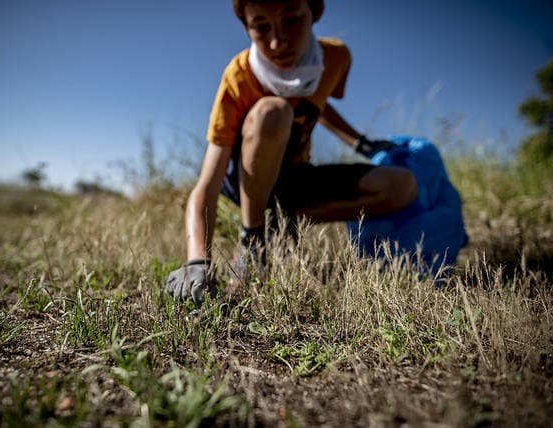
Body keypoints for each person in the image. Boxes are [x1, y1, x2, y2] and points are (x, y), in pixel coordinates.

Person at [166, 0, 418, 305]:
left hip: (295, 177)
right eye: (261, 27)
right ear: (246, 27)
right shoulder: (239, 77)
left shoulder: (334, 58)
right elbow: (205, 187)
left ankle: (286, 224)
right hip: (246, 181)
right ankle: (253, 237)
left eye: (293, 20)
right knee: (275, 111)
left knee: (402, 185)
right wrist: (197, 260)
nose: (277, 41)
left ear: (315, 12)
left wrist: (361, 143)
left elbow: (319, 104)